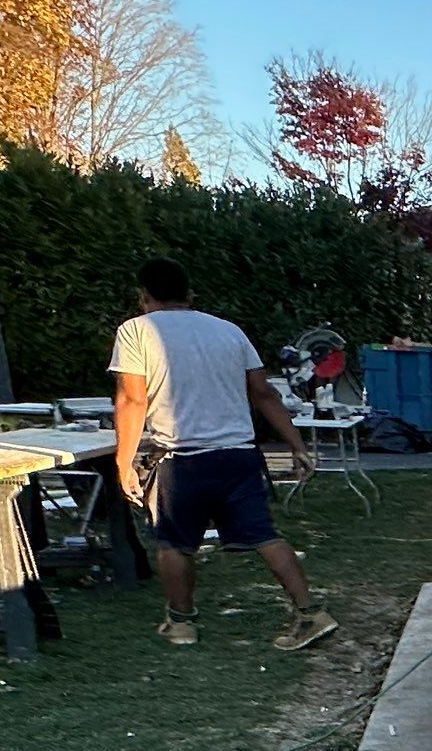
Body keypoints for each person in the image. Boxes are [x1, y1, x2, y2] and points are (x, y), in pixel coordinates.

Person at [109, 257, 336, 650]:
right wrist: (297, 445)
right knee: (265, 535)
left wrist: (124, 460)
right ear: (190, 295)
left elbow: (132, 398)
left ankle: (181, 622)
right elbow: (264, 394)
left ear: (143, 297)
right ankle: (311, 613)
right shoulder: (229, 331)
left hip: (181, 460)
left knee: (174, 542)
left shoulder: (136, 330)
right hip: (239, 456)